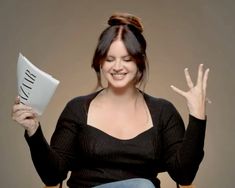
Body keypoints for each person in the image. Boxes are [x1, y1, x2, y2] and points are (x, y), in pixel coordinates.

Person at [12, 13, 209, 188]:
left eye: (127, 59)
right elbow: (53, 176)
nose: (117, 66)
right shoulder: (77, 109)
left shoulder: (163, 112)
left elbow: (184, 175)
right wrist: (33, 131)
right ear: (100, 62)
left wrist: (197, 116)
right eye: (109, 58)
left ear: (139, 62)